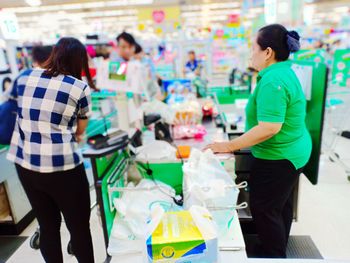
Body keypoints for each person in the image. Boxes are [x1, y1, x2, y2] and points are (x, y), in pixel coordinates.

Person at [205, 24, 312, 258]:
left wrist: (229, 145)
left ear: (268, 52)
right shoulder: (283, 71)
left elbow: (270, 127)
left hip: (280, 156)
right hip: (294, 150)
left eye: (254, 48)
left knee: (264, 209)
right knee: (280, 204)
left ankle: (273, 255)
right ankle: (278, 247)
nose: (251, 53)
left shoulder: (274, 80)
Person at [7, 37, 95, 263]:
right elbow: (79, 130)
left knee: (48, 225)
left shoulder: (25, 76)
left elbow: (14, 109)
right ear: (79, 61)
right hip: (61, 167)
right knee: (79, 228)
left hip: (25, 163)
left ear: (54, 53)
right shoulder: (79, 87)